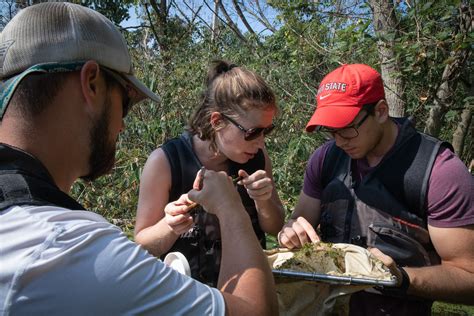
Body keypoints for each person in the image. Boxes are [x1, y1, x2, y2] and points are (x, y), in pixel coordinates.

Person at [0, 3, 277, 315]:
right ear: (91, 82)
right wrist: (230, 207)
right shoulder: (66, 247)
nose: (121, 125)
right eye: (126, 103)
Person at [277, 64, 474, 315]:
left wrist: (401, 278)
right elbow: (297, 220)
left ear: (381, 111)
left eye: (347, 127)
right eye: (331, 130)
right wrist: (289, 231)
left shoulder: (439, 171)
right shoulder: (325, 159)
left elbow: (469, 277)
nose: (339, 140)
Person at [135, 60, 285, 286]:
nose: (261, 142)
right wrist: (170, 225)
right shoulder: (166, 162)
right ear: (217, 121)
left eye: (267, 131)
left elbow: (275, 227)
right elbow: (142, 245)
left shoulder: (258, 158)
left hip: (247, 293)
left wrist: (263, 202)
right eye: (253, 132)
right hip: (187, 297)